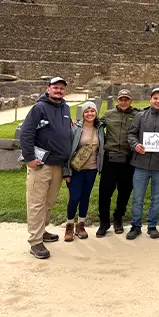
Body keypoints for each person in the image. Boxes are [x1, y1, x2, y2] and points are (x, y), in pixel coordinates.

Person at [19, 77, 71, 259]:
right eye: (55, 87)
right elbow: (26, 133)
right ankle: (35, 241)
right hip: (41, 164)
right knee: (36, 202)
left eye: (61, 88)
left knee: (49, 201)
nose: (59, 91)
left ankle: (42, 231)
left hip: (58, 163)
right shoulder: (39, 108)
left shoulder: (65, 108)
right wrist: (29, 158)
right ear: (48, 89)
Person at [126, 87, 159, 240]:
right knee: (138, 197)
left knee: (156, 198)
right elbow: (131, 134)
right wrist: (135, 145)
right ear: (150, 99)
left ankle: (152, 226)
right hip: (140, 164)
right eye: (155, 98)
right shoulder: (140, 116)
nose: (158, 101)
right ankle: (136, 226)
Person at [96, 89, 139, 236]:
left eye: (126, 99)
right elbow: (95, 125)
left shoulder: (137, 115)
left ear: (130, 101)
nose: (124, 102)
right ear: (117, 100)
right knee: (105, 191)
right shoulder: (108, 115)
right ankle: (103, 221)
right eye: (121, 99)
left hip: (128, 158)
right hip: (110, 158)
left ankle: (118, 217)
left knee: (125, 190)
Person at [62, 101, 103, 242]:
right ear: (82, 114)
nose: (90, 113)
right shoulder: (75, 128)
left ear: (96, 113)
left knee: (85, 197)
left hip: (91, 169)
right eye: (87, 111)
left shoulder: (99, 128)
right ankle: (69, 224)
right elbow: (67, 150)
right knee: (74, 197)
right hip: (76, 169)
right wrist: (66, 172)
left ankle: (81, 224)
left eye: (92, 111)